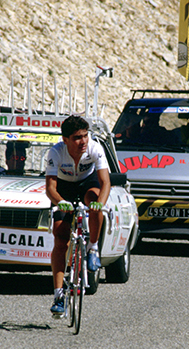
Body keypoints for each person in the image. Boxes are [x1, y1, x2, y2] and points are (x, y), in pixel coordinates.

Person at [45, 115, 111, 315]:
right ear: (65, 139)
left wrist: (100, 204)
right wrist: (61, 202)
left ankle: (92, 249)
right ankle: (58, 295)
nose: (83, 141)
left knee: (94, 200)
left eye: (85, 136)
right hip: (63, 188)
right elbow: (50, 188)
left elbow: (106, 183)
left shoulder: (94, 148)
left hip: (87, 184)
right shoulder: (56, 152)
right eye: (76, 137)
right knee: (60, 239)